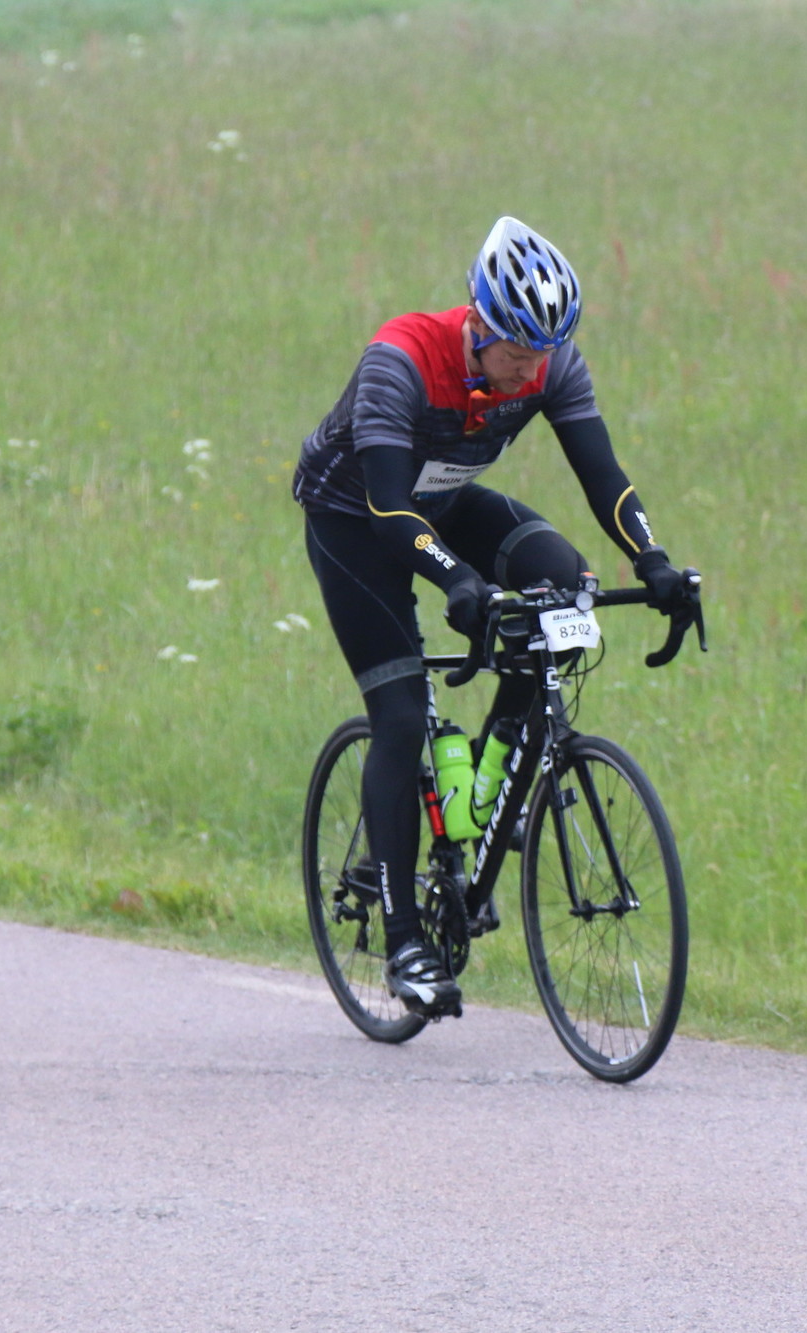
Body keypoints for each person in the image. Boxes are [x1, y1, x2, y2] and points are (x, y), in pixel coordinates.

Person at [293, 217, 699, 1017]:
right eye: (516, 352)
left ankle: (487, 791)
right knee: (400, 714)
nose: (529, 371)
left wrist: (652, 559)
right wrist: (456, 581)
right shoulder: (400, 362)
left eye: (543, 353)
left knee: (563, 588)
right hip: (355, 523)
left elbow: (603, 474)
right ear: (477, 323)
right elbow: (388, 508)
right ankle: (407, 946)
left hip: (444, 502)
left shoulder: (550, 363)